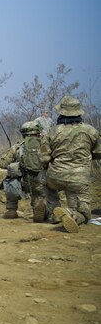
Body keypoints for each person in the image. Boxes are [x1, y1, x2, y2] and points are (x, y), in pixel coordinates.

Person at [44, 95, 100, 233]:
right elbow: (99, 153)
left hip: (56, 176)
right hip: (79, 179)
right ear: (79, 112)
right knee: (85, 213)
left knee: (46, 183)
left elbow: (43, 159)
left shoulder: (52, 131)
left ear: (61, 112)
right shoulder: (91, 131)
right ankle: (72, 214)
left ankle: (53, 213)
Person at [0, 121, 48, 222]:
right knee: (38, 196)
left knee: (10, 181)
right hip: (41, 181)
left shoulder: (17, 147)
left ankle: (11, 210)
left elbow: (3, 164)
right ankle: (39, 211)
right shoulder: (44, 146)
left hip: (22, 182)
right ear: (38, 132)